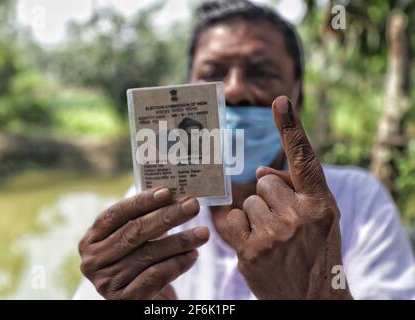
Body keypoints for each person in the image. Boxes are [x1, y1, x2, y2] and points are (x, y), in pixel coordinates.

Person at [73, 0, 415, 299]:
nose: (234, 89)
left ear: (299, 95)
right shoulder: (156, 206)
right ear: (188, 91)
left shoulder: (358, 200)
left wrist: (318, 293)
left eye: (262, 72)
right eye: (213, 73)